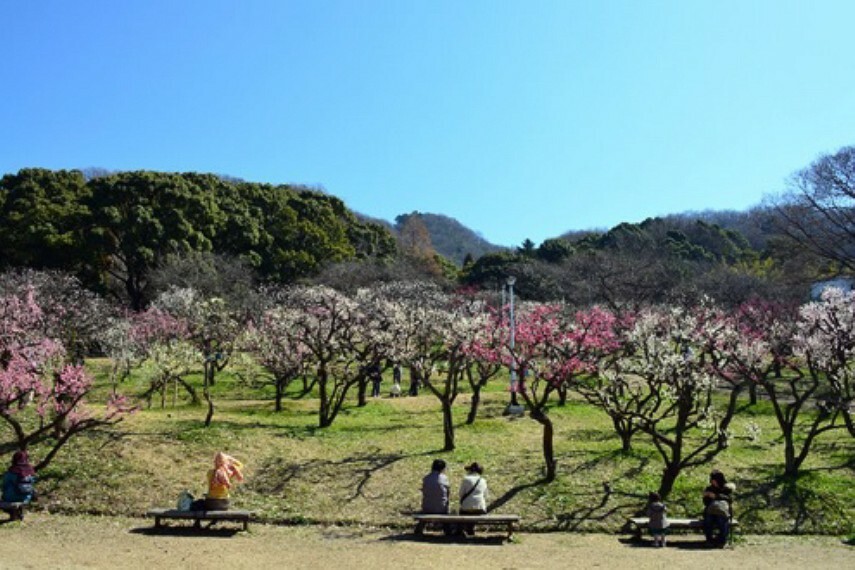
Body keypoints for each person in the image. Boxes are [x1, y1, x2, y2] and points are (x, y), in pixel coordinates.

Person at [2, 450, 37, 521]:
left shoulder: (12, 471)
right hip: (26, 498)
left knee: (5, 500)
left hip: (10, 498)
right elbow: (33, 482)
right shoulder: (30, 471)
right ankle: (18, 513)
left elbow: (4, 484)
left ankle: (14, 514)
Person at [420, 459, 451, 535]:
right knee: (444, 505)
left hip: (427, 507)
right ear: (443, 468)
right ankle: (447, 530)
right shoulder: (444, 478)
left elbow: (424, 492)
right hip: (441, 508)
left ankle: (419, 528)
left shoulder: (426, 479)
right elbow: (448, 493)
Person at [702, 469, 733, 547]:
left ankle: (722, 541)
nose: (713, 482)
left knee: (721, 520)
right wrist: (707, 496)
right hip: (711, 510)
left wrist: (716, 496)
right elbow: (706, 503)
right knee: (708, 520)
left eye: (714, 480)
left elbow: (729, 500)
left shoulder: (727, 488)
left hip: (723, 511)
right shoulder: (709, 488)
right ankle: (709, 540)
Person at [458, 462, 488, 536]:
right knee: (474, 511)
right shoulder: (483, 480)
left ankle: (466, 529)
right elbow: (486, 495)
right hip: (480, 508)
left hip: (466, 507)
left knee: (465, 510)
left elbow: (461, 494)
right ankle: (470, 529)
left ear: (470, 470)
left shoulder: (466, 479)